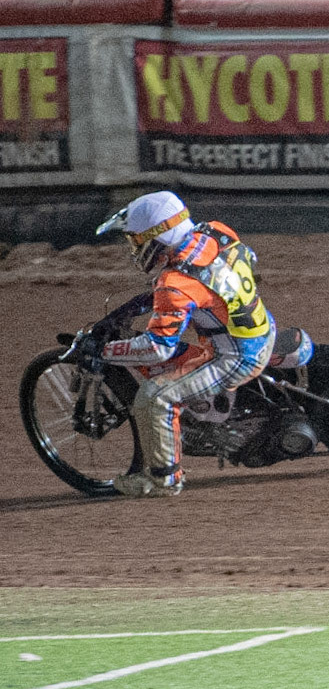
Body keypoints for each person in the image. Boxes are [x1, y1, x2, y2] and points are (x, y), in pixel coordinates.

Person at [87, 191, 277, 497]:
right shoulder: (217, 232)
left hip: (237, 356)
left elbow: (157, 348)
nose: (135, 249)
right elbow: (244, 264)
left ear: (158, 238)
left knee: (154, 397)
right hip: (261, 328)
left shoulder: (175, 284)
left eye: (136, 241)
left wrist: (104, 351)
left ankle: (164, 480)